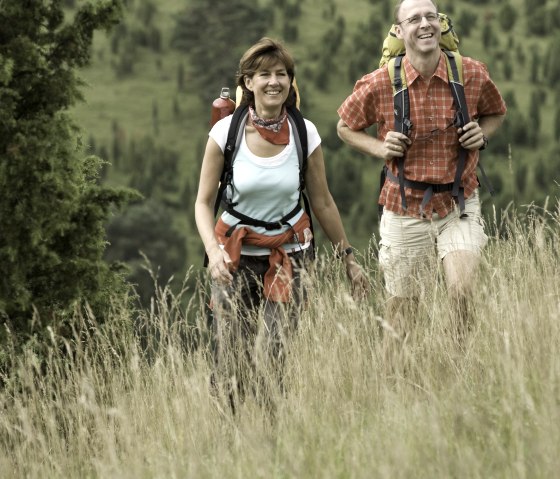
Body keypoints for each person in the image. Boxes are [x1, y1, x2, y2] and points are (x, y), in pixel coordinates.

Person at [195, 37, 368, 410]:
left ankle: (272, 432)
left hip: (291, 255)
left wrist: (348, 259)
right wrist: (213, 253)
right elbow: (203, 203)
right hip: (234, 257)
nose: (273, 82)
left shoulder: (305, 134)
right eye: (263, 75)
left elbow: (322, 202)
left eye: (281, 74)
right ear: (248, 83)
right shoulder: (225, 133)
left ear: (291, 82)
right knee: (231, 356)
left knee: (275, 352)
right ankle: (234, 433)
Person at [337, 0, 506, 339]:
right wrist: (379, 147)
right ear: (399, 31)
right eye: (414, 19)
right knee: (402, 315)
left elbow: (496, 112)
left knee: (460, 292)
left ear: (441, 25)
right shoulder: (380, 82)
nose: (425, 24)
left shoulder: (470, 72)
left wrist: (481, 135)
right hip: (404, 208)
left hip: (458, 203)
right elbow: (345, 126)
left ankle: (460, 369)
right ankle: (393, 385)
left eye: (431, 17)